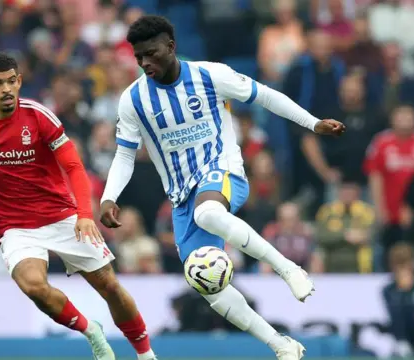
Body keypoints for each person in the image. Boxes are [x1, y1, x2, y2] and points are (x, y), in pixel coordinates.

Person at [99, 15, 346, 360]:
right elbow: (124, 157)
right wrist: (109, 196)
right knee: (205, 282)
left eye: (151, 54)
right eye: (138, 57)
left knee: (209, 212)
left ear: (171, 47)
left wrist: (313, 123)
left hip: (223, 172)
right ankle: (281, 344)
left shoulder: (210, 75)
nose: (145, 63)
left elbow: (266, 97)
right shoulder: (133, 100)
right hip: (182, 195)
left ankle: (288, 268)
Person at [0, 52, 156, 360]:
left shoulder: (38, 116)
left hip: (61, 216)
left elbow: (74, 166)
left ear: (19, 81)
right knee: (33, 287)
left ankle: (145, 354)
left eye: (11, 82)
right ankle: (92, 331)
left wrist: (85, 215)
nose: (6, 89)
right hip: (16, 227)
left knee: (109, 286)